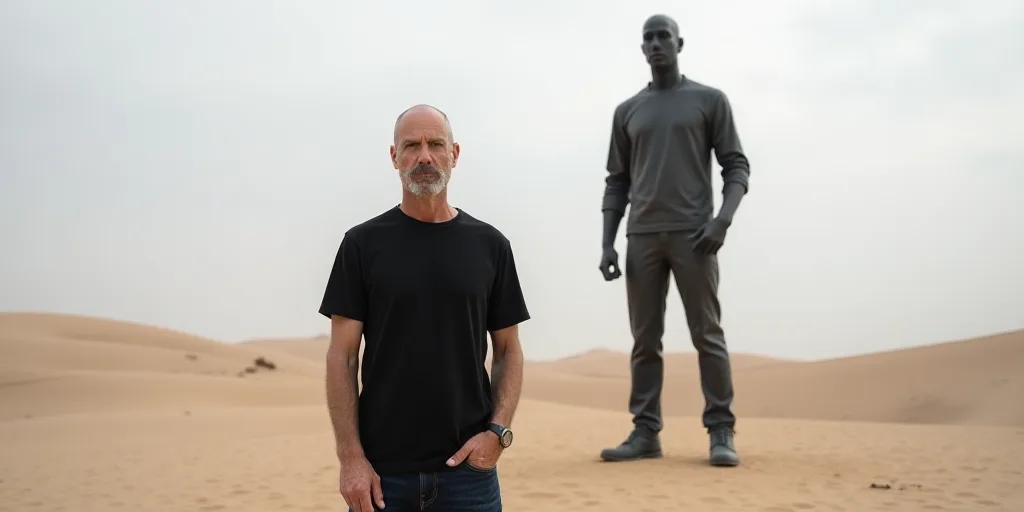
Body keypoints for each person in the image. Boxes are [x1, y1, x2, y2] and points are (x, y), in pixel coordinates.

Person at [320, 104, 530, 511]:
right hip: (382, 477)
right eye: (411, 146)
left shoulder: (491, 246)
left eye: (435, 144)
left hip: (469, 476)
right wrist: (350, 459)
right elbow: (342, 356)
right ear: (394, 157)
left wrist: (498, 432)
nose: (424, 156)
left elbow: (508, 349)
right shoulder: (362, 245)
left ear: (454, 154)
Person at [597, 14, 751, 467]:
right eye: (648, 38)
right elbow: (616, 181)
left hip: (695, 236)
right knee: (645, 341)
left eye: (663, 35)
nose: (656, 43)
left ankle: (721, 431)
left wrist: (722, 221)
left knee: (708, 335)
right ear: (641, 49)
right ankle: (645, 432)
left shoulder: (709, 100)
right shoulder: (627, 111)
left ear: (679, 43)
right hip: (641, 236)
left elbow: (736, 166)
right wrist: (607, 243)